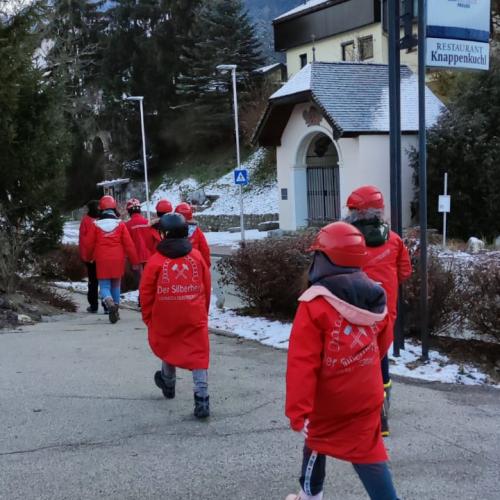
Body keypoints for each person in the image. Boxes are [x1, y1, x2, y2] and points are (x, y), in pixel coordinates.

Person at [285, 222, 399, 500]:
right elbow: (381, 343)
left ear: (322, 260)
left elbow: (302, 363)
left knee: (315, 443)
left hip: (330, 401)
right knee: (368, 454)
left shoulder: (314, 305)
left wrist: (298, 411)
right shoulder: (374, 297)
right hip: (367, 395)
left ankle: (310, 495)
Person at [345, 185, 412, 436]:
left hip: (352, 313)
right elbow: (405, 271)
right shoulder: (394, 240)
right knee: (381, 360)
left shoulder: (348, 240)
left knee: (353, 361)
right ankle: (381, 419)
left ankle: (355, 414)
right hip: (385, 314)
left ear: (355, 212)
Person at [139, 213, 211, 419]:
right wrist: (202, 312)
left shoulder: (156, 261)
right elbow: (206, 287)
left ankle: (169, 384)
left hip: (165, 315)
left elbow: (146, 292)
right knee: (198, 355)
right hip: (193, 314)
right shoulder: (196, 257)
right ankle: (202, 399)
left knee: (169, 345)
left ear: (165, 234)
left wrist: (149, 318)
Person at [83, 195, 138, 324]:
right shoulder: (120, 225)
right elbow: (129, 245)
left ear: (101, 209)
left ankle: (109, 303)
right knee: (116, 285)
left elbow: (89, 244)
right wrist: (134, 261)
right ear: (114, 208)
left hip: (102, 259)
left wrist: (89, 257)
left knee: (104, 286)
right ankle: (116, 308)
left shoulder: (95, 225)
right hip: (118, 259)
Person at [78, 200, 100, 313]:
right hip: (101, 255)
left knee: (93, 281)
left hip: (91, 257)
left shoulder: (86, 221)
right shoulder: (102, 219)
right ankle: (107, 306)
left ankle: (93, 305)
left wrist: (84, 256)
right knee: (104, 282)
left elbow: (83, 240)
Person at [125, 198, 151, 291]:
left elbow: (126, 244)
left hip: (135, 258)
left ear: (129, 211)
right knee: (149, 280)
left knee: (140, 281)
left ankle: (142, 299)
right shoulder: (148, 223)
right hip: (149, 256)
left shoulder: (127, 225)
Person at [175, 202, 211, 267]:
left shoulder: (171, 231)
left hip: (174, 267)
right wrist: (205, 267)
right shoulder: (197, 231)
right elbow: (205, 250)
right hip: (194, 266)